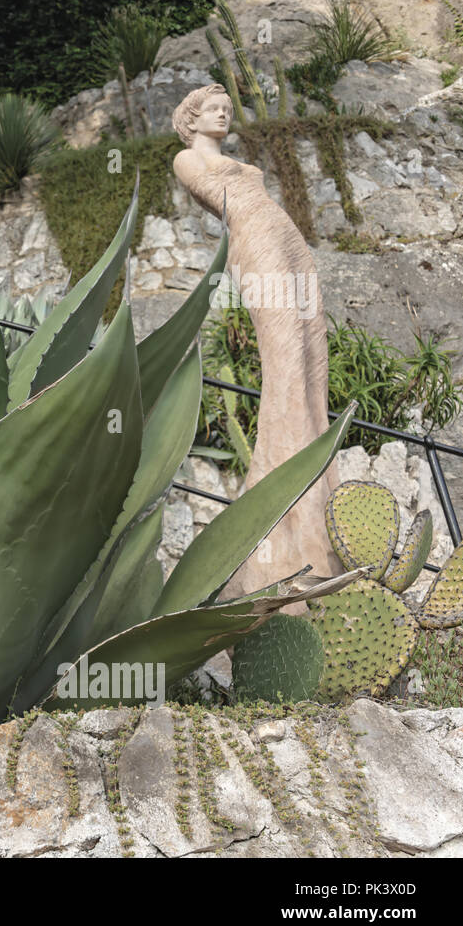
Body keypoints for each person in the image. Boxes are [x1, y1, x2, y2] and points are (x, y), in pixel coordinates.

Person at [171, 84, 340, 597]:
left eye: (227, 110)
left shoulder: (238, 165)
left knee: (313, 353)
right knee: (287, 359)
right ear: (192, 118)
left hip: (286, 237)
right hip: (254, 238)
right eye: (214, 110)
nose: (224, 116)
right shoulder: (186, 158)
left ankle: (323, 499)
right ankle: (285, 529)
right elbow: (222, 199)